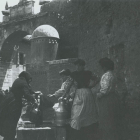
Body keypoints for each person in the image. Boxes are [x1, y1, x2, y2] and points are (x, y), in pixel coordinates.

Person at [67, 59, 99, 140]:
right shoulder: (74, 74)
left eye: (79, 65)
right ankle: (76, 135)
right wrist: (64, 95)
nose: (77, 67)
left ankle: (87, 134)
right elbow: (69, 85)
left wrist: (91, 86)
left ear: (83, 66)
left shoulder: (88, 73)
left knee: (88, 112)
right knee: (77, 113)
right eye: (76, 65)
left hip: (87, 93)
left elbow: (97, 78)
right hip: (79, 94)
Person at [0, 71, 35, 140]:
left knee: (8, 122)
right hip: (14, 104)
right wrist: (33, 99)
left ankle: (7, 136)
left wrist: (33, 92)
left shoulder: (18, 80)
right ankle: (9, 137)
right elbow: (27, 93)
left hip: (8, 102)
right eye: (29, 80)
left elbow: (28, 89)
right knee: (12, 123)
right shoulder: (23, 82)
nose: (30, 82)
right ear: (27, 78)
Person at [97, 57, 121, 140]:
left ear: (105, 67)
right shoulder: (113, 74)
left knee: (107, 119)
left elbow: (105, 89)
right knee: (112, 119)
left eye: (102, 67)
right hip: (113, 97)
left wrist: (97, 95)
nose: (102, 68)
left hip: (107, 99)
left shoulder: (106, 75)